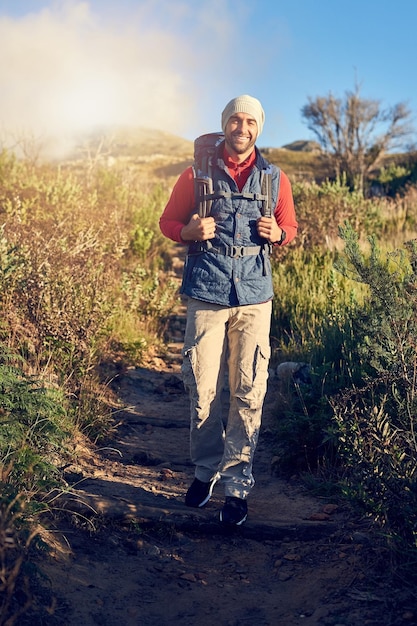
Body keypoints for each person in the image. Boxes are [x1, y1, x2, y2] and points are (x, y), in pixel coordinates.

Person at [159, 95, 298, 525]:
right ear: (225, 125)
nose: (242, 127)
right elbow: (167, 222)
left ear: (259, 127)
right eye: (235, 120)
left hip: (255, 297)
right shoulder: (196, 173)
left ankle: (238, 485)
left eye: (250, 121)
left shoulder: (275, 179)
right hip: (207, 291)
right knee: (201, 387)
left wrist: (279, 233)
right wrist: (188, 230)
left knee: (248, 391)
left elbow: (289, 227)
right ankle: (206, 471)